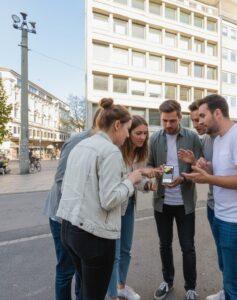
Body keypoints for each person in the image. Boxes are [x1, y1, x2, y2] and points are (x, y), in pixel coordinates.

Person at [56, 98, 143, 300]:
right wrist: (131, 180)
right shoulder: (111, 151)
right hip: (93, 236)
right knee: (94, 294)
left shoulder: (82, 144)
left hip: (69, 228)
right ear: (117, 125)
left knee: (85, 289)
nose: (128, 135)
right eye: (128, 129)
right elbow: (110, 199)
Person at [182, 94, 237, 300]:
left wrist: (209, 177)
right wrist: (206, 167)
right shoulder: (217, 139)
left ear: (217, 113)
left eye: (202, 116)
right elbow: (225, 170)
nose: (199, 122)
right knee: (236, 271)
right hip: (223, 215)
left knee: (234, 283)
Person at [43, 103, 103, 300]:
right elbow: (60, 180)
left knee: (82, 271)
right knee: (66, 269)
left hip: (82, 218)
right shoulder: (78, 140)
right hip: (63, 216)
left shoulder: (104, 144)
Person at [147, 100, 203, 300]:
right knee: (164, 244)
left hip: (184, 203)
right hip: (162, 202)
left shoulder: (192, 137)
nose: (168, 125)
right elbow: (149, 165)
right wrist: (157, 173)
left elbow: (201, 166)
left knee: (188, 246)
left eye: (172, 121)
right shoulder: (155, 139)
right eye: (164, 121)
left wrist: (185, 176)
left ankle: (190, 287)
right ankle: (167, 281)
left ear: (180, 117)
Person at [107, 115, 159, 300]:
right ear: (128, 132)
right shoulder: (116, 150)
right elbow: (113, 181)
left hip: (129, 204)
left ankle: (121, 286)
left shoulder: (140, 152)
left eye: (145, 133)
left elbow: (137, 180)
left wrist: (146, 184)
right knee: (113, 252)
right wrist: (137, 175)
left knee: (126, 250)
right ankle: (112, 293)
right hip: (113, 206)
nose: (142, 137)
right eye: (138, 133)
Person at [178, 100, 223, 299]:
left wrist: (199, 169)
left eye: (200, 118)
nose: (197, 124)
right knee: (223, 254)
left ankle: (235, 292)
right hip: (213, 206)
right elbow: (208, 169)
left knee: (234, 258)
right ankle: (227, 290)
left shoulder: (228, 136)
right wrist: (194, 163)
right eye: (194, 120)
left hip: (231, 209)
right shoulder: (205, 141)